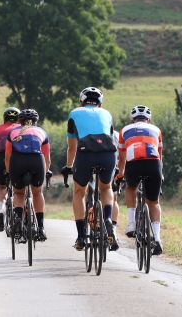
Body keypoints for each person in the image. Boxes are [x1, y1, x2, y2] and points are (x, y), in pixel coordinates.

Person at [60, 87, 119, 251]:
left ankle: (80, 237)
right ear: (100, 104)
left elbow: (72, 148)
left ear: (81, 101)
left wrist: (68, 167)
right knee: (106, 187)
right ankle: (108, 219)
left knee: (79, 192)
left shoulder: (74, 113)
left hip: (85, 154)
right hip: (108, 154)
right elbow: (111, 135)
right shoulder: (107, 114)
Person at [115, 105, 164, 255]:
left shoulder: (124, 131)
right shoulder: (157, 130)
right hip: (153, 164)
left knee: (131, 188)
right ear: (149, 120)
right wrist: (160, 173)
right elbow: (159, 154)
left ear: (132, 119)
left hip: (134, 163)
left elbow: (122, 159)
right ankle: (157, 237)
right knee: (154, 202)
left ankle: (131, 224)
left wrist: (120, 176)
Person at [5, 109, 51, 241]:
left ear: (19, 122)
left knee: (19, 193)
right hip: (37, 162)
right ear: (36, 122)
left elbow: (7, 157)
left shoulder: (12, 133)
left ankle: (18, 220)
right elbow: (47, 158)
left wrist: (9, 173)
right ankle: (41, 227)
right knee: (37, 192)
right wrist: (46, 171)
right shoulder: (42, 132)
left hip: (17, 162)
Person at [0, 107, 21, 231]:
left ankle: (1, 209)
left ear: (4, 119)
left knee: (1, 186)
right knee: (19, 189)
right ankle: (20, 216)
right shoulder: (20, 129)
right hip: (15, 158)